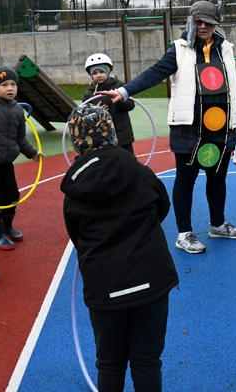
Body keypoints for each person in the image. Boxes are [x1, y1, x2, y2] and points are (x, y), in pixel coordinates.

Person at [100, 0, 236, 254]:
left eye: (208, 22)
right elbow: (155, 73)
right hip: (188, 129)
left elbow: (235, 87)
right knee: (185, 180)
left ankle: (217, 225)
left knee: (217, 179)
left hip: (221, 128)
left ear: (215, 24)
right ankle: (184, 232)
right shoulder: (179, 49)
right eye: (198, 21)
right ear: (191, 22)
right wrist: (125, 91)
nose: (203, 26)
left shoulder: (226, 49)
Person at [61, 104, 178, 392]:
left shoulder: (75, 191)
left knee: (110, 362)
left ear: (77, 141)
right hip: (152, 279)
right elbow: (162, 207)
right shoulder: (141, 173)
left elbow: (77, 236)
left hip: (105, 287)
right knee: (147, 360)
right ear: (112, 132)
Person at [0, 67, 44, 250]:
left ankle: (8, 227)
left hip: (6, 161)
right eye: (4, 85)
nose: (10, 88)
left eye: (13, 84)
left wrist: (32, 153)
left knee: (12, 195)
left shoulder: (17, 110)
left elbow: (20, 138)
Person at [82, 53, 136, 154]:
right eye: (94, 73)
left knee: (128, 160)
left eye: (102, 71)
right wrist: (94, 111)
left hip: (121, 134)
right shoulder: (89, 93)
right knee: (109, 162)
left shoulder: (119, 87)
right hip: (101, 136)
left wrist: (118, 99)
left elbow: (130, 105)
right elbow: (84, 116)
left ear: (108, 71)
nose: (98, 75)